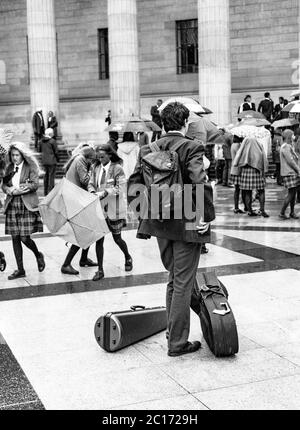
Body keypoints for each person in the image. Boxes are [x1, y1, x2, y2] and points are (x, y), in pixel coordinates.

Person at [128, 102, 215, 357]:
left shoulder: (148, 148)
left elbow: (133, 185)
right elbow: (200, 182)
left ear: (162, 123)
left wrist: (145, 214)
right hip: (187, 218)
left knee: (174, 278)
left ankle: (172, 333)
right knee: (183, 282)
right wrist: (206, 216)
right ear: (186, 123)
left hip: (158, 219)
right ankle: (177, 343)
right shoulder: (192, 146)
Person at [88, 143, 132, 281]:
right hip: (99, 209)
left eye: (102, 156)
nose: (100, 159)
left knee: (117, 238)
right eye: (98, 157)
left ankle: (127, 256)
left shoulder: (117, 169)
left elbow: (121, 188)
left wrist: (105, 192)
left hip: (114, 209)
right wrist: (93, 191)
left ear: (110, 155)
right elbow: (90, 183)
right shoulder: (95, 168)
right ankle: (100, 270)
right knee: (99, 240)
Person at [2, 142, 45, 280]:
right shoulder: (9, 168)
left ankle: (38, 254)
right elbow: (4, 185)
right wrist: (9, 190)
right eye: (12, 155)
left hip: (26, 204)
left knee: (24, 237)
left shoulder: (30, 166)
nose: (14, 158)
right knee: (15, 237)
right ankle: (20, 270)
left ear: (22, 155)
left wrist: (20, 188)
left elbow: (35, 184)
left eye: (17, 155)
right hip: (12, 204)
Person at [61, 146, 98, 274]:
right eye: (93, 160)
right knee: (83, 233)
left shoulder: (77, 159)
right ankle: (66, 264)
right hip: (76, 201)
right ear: (89, 157)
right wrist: (92, 169)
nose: (93, 162)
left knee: (88, 231)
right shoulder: (81, 160)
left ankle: (83, 259)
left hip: (75, 199)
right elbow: (85, 180)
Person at [233, 137, 269, 217]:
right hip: (257, 171)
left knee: (247, 192)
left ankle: (249, 210)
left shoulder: (244, 148)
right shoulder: (259, 147)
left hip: (246, 171)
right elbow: (264, 159)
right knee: (261, 190)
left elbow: (238, 158)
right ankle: (262, 210)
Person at [279, 129, 300, 219]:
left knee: (293, 193)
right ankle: (282, 212)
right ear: (288, 136)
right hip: (289, 173)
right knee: (291, 193)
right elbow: (290, 161)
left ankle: (292, 212)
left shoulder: (288, 146)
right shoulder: (285, 147)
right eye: (292, 135)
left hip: (291, 172)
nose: (293, 137)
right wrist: (298, 170)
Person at [230, 135, 246, 214]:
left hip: (234, 169)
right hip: (238, 169)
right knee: (240, 189)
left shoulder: (233, 145)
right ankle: (239, 207)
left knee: (237, 189)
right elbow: (240, 156)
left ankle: (236, 206)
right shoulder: (238, 145)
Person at [41, 128, 59, 195]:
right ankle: (51, 192)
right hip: (52, 161)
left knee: (45, 177)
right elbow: (56, 152)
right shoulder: (52, 141)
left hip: (44, 161)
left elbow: (39, 150)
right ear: (50, 134)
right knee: (51, 177)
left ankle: (45, 192)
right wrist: (58, 159)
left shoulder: (41, 141)